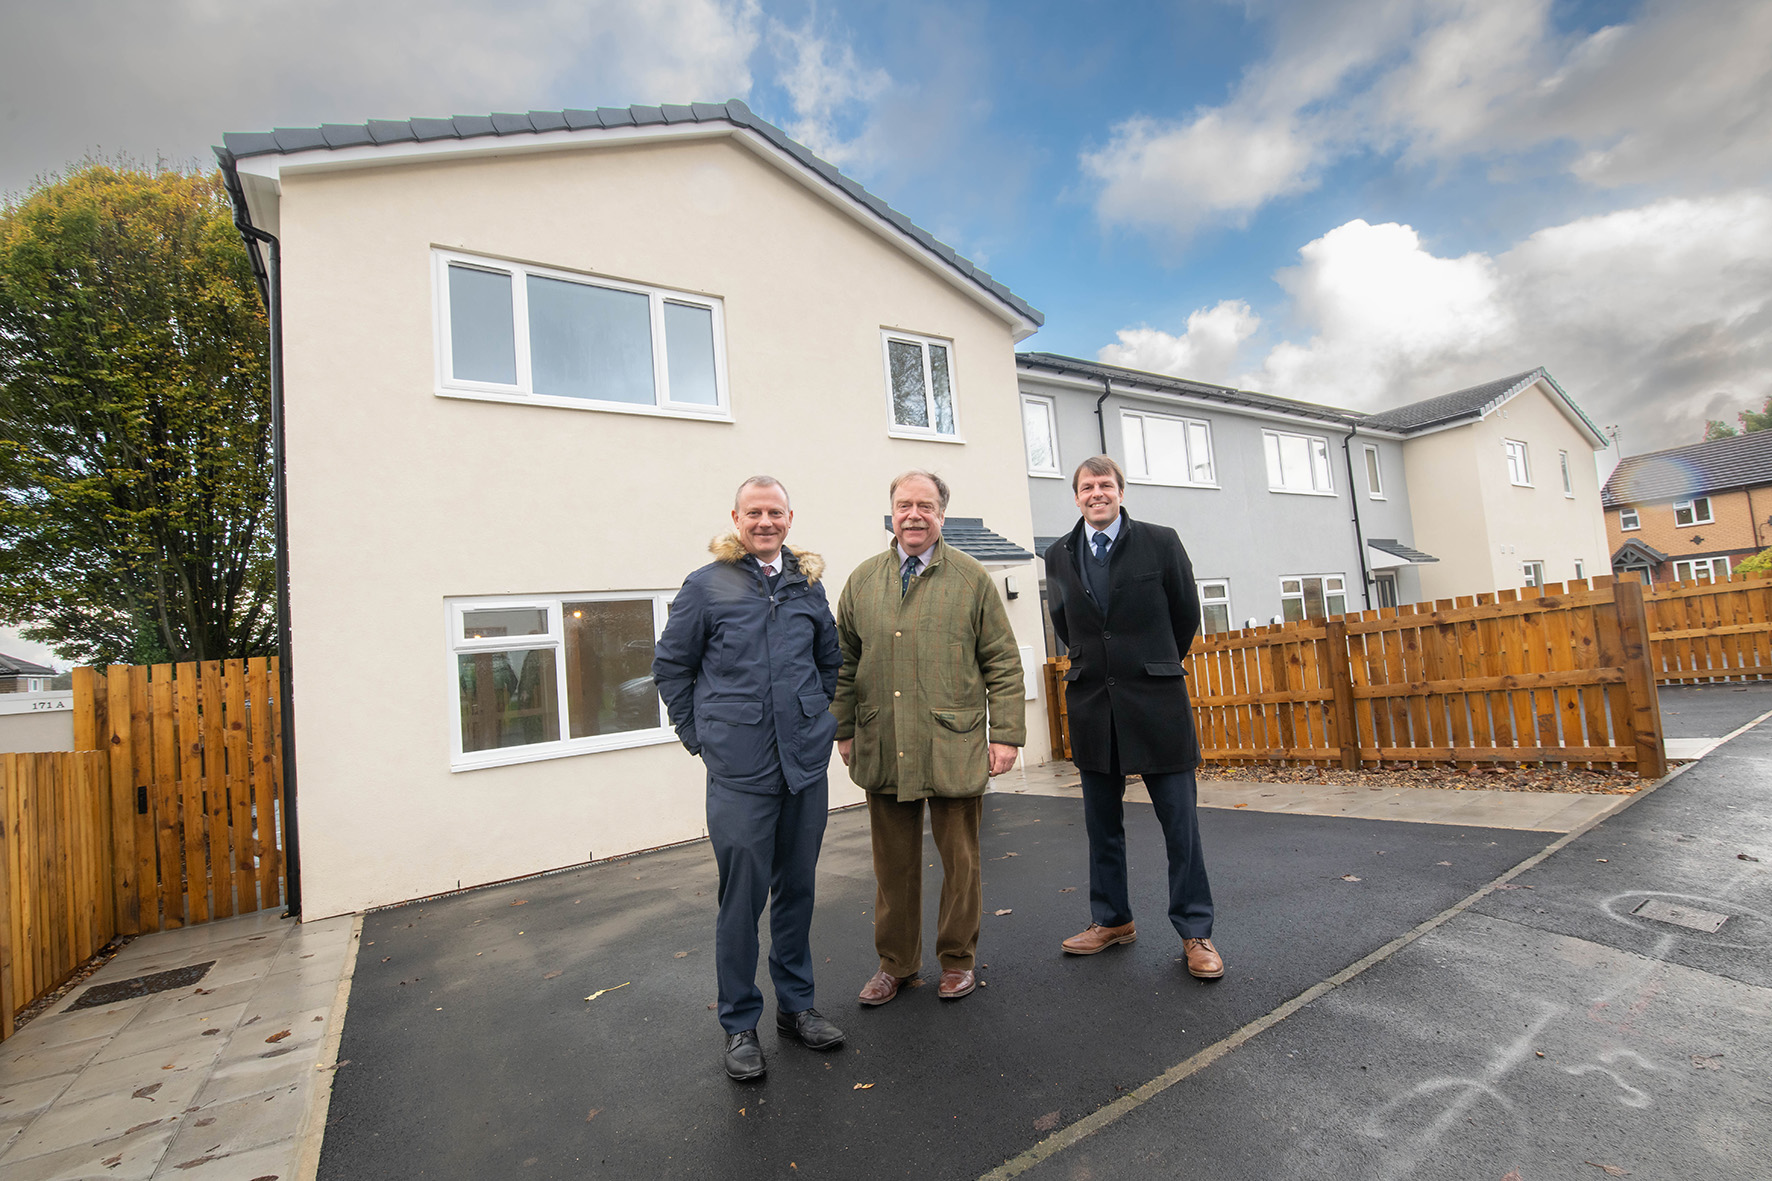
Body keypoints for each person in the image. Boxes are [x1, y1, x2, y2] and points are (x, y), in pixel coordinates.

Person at [652, 476, 845, 1082]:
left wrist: (816, 718)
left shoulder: (806, 584)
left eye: (776, 512)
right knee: (742, 899)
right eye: (754, 512)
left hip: (804, 768)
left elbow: (829, 660)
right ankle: (739, 1023)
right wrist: (701, 737)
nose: (766, 521)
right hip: (739, 771)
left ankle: (797, 1007)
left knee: (799, 890)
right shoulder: (706, 587)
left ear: (791, 518)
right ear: (736, 517)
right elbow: (671, 668)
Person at [832, 470, 1025, 1004]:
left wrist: (1006, 735)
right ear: (890, 512)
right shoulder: (862, 580)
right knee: (891, 867)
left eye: (925, 505)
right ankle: (896, 964)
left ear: (943, 513)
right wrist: (843, 728)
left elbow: (1004, 664)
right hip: (883, 741)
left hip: (952, 743)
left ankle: (957, 959)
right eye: (903, 504)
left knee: (961, 864)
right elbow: (843, 664)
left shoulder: (970, 579)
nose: (913, 514)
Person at [1043, 455, 1224, 980]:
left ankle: (1195, 930)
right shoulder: (1059, 554)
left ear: (1120, 491)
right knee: (1102, 826)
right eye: (1086, 487)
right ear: (1076, 496)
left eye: (1105, 485)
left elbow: (1185, 614)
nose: (1095, 493)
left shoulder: (1160, 541)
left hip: (1157, 704)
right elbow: (1065, 623)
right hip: (1093, 708)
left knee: (1180, 825)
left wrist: (1154, 663)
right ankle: (1112, 919)